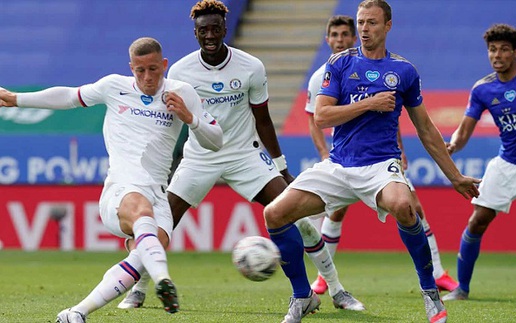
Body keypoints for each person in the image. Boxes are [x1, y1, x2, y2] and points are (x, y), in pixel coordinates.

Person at [117, 0, 365, 313]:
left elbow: (262, 119)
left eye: (215, 28)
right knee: (161, 222)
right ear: (195, 33)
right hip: (199, 158)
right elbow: (171, 124)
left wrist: (281, 166)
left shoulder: (251, 67)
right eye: (202, 30)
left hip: (245, 155)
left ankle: (337, 289)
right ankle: (138, 289)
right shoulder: (180, 71)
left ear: (225, 28)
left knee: (296, 215)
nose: (209, 35)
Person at [263, 1, 481, 322]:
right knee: (275, 214)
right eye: (361, 23)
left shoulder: (404, 71)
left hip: (380, 165)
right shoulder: (339, 64)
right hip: (338, 165)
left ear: (388, 26)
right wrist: (370, 103)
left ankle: (429, 293)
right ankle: (302, 296)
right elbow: (322, 116)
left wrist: (455, 176)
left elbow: (426, 129)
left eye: (372, 23)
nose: (365, 29)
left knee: (405, 206)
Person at [0, 37, 224, 322]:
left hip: (158, 194)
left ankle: (76, 313)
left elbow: (216, 141)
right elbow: (69, 96)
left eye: (154, 69)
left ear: (164, 65)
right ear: (131, 68)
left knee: (143, 253)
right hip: (121, 189)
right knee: (142, 214)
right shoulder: (113, 87)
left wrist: (189, 118)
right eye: (140, 70)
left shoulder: (182, 93)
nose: (147, 77)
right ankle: (163, 279)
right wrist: (16, 99)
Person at [305, 15, 459, 296]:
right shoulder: (322, 75)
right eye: (334, 35)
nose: (340, 40)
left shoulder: (391, 68)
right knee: (335, 212)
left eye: (344, 35)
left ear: (353, 38)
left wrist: (399, 148)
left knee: (412, 206)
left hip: (379, 158)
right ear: (327, 39)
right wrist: (324, 154)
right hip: (341, 159)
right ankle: (322, 278)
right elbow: (314, 119)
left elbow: (390, 114)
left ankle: (437, 273)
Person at [443, 23, 516, 302]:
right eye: (492, 50)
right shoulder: (483, 89)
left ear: (515, 52)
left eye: (503, 49)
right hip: (507, 164)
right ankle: (462, 288)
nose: (497, 55)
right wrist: (453, 145)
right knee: (477, 221)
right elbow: (465, 129)